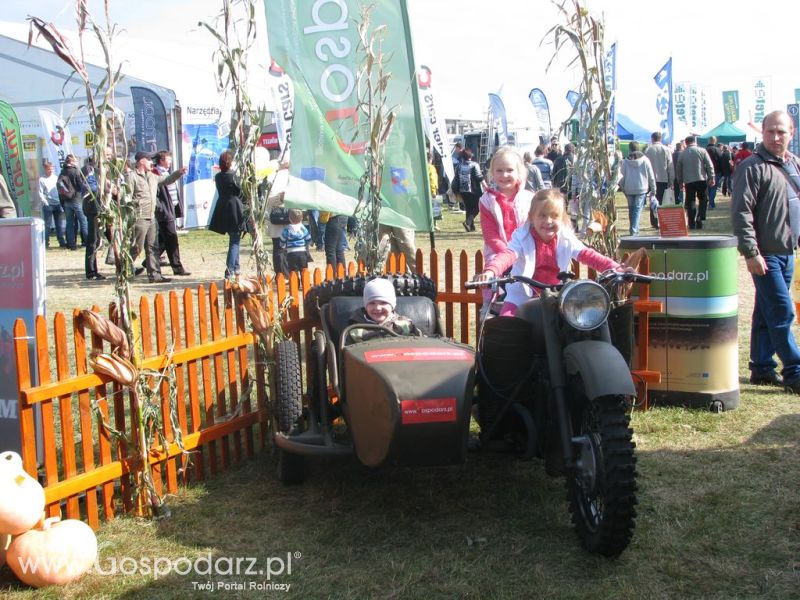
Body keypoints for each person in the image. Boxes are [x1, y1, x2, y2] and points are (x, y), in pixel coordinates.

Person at [473, 189, 628, 316]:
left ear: (562, 219)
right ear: (532, 218)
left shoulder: (566, 238)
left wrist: (617, 269)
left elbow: (588, 255)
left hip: (556, 296)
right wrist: (491, 271)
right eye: (542, 215)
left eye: (554, 216)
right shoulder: (522, 237)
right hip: (522, 295)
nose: (548, 221)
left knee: (578, 328)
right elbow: (507, 255)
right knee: (507, 325)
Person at [731, 110, 800, 393]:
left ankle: (761, 366)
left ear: (791, 133)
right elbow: (741, 213)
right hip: (765, 254)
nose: (775, 137)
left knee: (766, 310)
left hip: (788, 253)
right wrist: (751, 252)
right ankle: (795, 370)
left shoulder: (794, 164)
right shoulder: (751, 167)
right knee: (782, 312)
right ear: (762, 131)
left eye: (781, 131)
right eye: (770, 131)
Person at [126, 151, 186, 283]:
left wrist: (178, 173)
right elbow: (127, 197)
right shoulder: (132, 177)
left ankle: (155, 275)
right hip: (139, 218)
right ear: (141, 161)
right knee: (136, 248)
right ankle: (124, 270)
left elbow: (166, 180)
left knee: (153, 247)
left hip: (151, 217)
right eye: (148, 160)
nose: (151, 163)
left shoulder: (152, 176)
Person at [346, 277, 422, 344]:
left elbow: (421, 345)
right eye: (372, 303)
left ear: (392, 305)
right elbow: (348, 354)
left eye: (383, 303)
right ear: (365, 306)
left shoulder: (405, 325)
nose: (377, 308)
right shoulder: (355, 330)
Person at [152, 150, 190, 276]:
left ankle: (149, 261)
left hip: (170, 208)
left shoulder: (165, 171)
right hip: (164, 210)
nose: (170, 162)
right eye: (168, 159)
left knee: (163, 240)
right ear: (161, 160)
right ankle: (177, 267)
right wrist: (160, 207)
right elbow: (156, 193)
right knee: (172, 239)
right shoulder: (155, 173)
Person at [209, 150, 245, 279]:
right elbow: (240, 192)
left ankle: (236, 267)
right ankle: (230, 269)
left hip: (223, 208)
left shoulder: (219, 176)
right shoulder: (233, 175)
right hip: (234, 208)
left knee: (234, 238)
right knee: (234, 240)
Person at [676, 135, 714, 230]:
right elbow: (709, 165)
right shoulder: (702, 150)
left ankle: (691, 223)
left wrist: (680, 182)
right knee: (703, 199)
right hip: (701, 179)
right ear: (695, 142)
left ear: (686, 143)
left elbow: (678, 170)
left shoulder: (682, 154)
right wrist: (712, 177)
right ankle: (700, 216)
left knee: (690, 202)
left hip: (689, 181)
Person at [620, 141, 656, 236]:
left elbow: (621, 176)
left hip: (629, 188)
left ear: (630, 149)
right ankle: (634, 230)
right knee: (636, 209)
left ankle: (633, 228)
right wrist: (653, 189)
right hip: (641, 188)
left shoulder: (625, 161)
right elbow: (651, 175)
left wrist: (623, 187)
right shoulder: (645, 160)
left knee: (631, 209)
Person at [59, 154, 88, 250]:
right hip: (77, 199)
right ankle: (88, 242)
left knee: (69, 223)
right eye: (75, 161)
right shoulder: (75, 171)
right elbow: (80, 185)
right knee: (83, 221)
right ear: (71, 162)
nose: (77, 162)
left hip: (67, 201)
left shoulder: (62, 171)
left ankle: (71, 244)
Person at [38, 161, 67, 247]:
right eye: (49, 169)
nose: (50, 171)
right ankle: (46, 242)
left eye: (52, 169)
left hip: (58, 204)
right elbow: (40, 192)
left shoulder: (56, 177)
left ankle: (61, 241)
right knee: (47, 225)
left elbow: (61, 189)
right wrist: (45, 202)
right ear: (45, 169)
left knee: (60, 224)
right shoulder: (42, 179)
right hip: (48, 205)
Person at [455, 148, 485, 231]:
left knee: (469, 208)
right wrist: (485, 186)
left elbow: (456, 177)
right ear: (470, 155)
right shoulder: (474, 164)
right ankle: (468, 222)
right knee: (477, 207)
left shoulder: (459, 165)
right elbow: (479, 176)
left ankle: (471, 227)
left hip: (462, 190)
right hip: (474, 190)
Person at [644, 131, 674, 205]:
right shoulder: (666, 150)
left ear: (652, 139)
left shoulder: (648, 150)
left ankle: (653, 216)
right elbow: (670, 166)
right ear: (660, 139)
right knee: (662, 201)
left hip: (650, 179)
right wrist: (671, 180)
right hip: (663, 178)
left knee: (652, 200)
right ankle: (660, 215)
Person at [280, 208, 311, 277]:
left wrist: (283, 246)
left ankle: (295, 285)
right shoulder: (303, 228)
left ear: (289, 219)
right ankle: (305, 284)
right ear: (302, 218)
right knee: (304, 269)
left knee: (293, 271)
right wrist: (306, 244)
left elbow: (282, 240)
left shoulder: (287, 229)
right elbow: (308, 238)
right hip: (302, 252)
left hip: (291, 253)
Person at [705, 135, 725, 209]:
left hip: (706, 171)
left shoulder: (705, 150)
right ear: (715, 141)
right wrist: (722, 172)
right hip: (716, 171)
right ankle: (711, 203)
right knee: (713, 188)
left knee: (708, 188)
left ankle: (709, 202)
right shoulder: (717, 150)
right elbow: (721, 161)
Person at [672, 140, 685, 205]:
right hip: (682, 174)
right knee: (682, 188)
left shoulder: (673, 154)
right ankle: (681, 201)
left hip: (674, 174)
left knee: (676, 189)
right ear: (681, 147)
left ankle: (676, 201)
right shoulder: (683, 154)